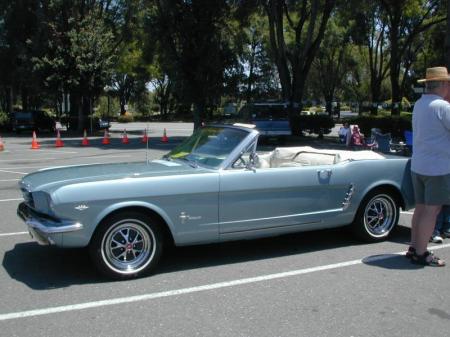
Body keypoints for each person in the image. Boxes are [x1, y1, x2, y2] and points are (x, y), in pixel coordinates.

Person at [407, 66, 450, 266]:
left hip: (418, 165)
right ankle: (423, 252)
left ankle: (414, 247)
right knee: (432, 211)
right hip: (437, 168)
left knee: (421, 208)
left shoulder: (419, 104)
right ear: (442, 84)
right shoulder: (442, 107)